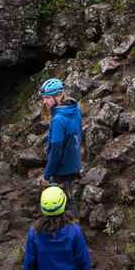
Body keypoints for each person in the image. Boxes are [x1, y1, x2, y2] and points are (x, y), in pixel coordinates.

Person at [40, 77, 83, 213]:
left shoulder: (58, 120)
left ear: (58, 96)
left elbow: (56, 151)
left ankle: (63, 227)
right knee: (70, 195)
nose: (44, 101)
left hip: (61, 168)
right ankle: (74, 220)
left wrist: (46, 175)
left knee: (57, 204)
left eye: (47, 98)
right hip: (74, 162)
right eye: (44, 98)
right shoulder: (75, 109)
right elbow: (79, 135)